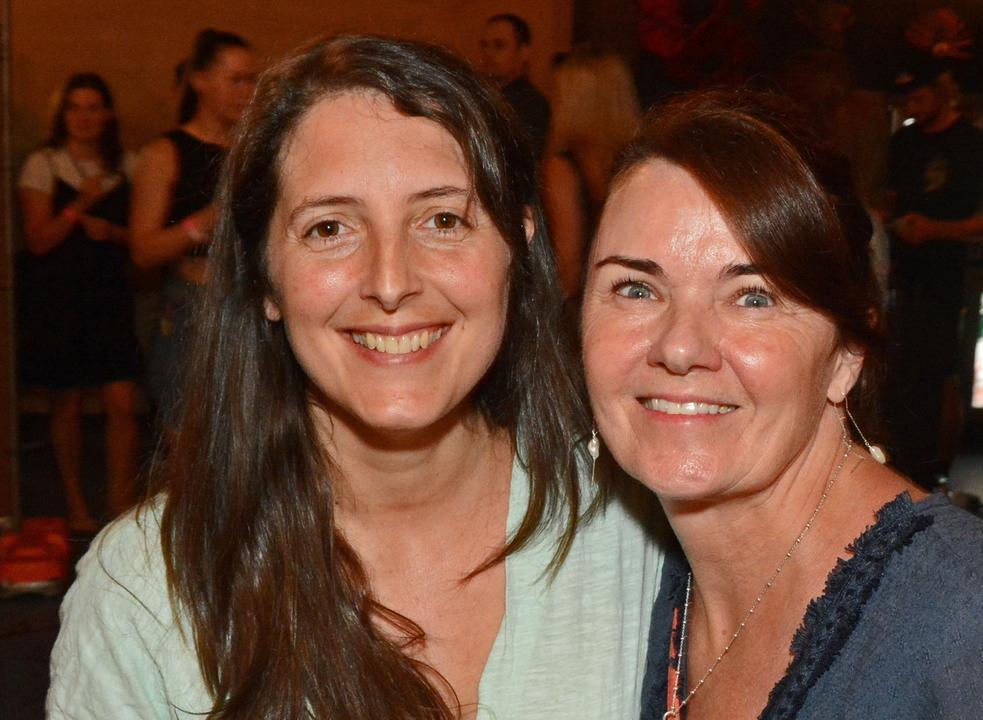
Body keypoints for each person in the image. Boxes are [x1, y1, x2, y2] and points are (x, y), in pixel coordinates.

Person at [47, 35, 664, 719]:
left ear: (516, 247)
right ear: (264, 278)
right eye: (330, 228)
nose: (391, 282)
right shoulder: (149, 587)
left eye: (443, 219)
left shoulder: (637, 532)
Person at [580, 89, 983, 719]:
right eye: (635, 288)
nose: (679, 347)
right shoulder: (644, 575)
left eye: (753, 297)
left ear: (847, 353)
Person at [17, 73, 141, 532]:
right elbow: (37, 241)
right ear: (62, 115)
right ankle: (75, 504)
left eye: (93, 107)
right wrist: (77, 207)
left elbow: (142, 241)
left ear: (107, 115)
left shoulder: (128, 165)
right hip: (59, 299)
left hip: (109, 297)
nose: (84, 117)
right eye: (75, 108)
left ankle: (120, 505)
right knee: (66, 403)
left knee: (122, 401)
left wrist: (112, 232)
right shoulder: (43, 164)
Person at [882, 61, 983, 489]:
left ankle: (936, 474)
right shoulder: (903, 140)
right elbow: (890, 201)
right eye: (906, 100)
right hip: (898, 278)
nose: (911, 108)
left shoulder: (972, 144)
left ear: (943, 91)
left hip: (947, 278)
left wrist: (936, 230)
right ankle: (898, 466)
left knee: (941, 375)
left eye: (919, 98)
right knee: (899, 373)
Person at [129, 29, 255, 427]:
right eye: (236, 80)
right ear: (200, 80)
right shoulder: (166, 153)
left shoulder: (255, 151)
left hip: (251, 305)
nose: (247, 91)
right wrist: (208, 219)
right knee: (190, 442)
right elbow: (144, 249)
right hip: (192, 306)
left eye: (253, 80)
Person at [539, 45, 640, 302]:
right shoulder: (639, 162)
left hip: (582, 309)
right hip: (628, 296)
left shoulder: (562, 168)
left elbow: (568, 270)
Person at [479, 13, 550, 158]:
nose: (488, 53)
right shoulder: (483, 96)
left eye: (499, 45)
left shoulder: (532, 104)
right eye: (484, 45)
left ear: (524, 52)